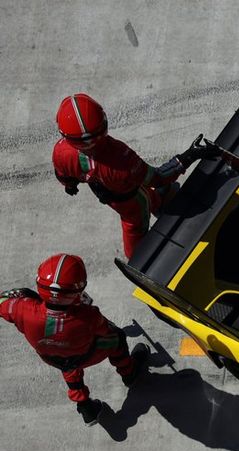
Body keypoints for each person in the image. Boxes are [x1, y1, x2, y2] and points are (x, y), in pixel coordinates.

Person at [52, 93, 215, 258]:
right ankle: (160, 206)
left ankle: (160, 202)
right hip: (133, 203)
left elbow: (63, 174)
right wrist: (189, 156)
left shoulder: (61, 153)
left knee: (137, 241)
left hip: (109, 195)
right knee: (137, 248)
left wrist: (70, 186)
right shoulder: (122, 160)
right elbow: (158, 178)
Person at [1, 253, 148, 425]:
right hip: (87, 354)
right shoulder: (89, 316)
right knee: (117, 338)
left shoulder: (21, 309)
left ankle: (86, 407)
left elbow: (3, 300)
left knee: (67, 362)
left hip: (53, 357)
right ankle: (129, 373)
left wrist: (25, 296)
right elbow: (105, 330)